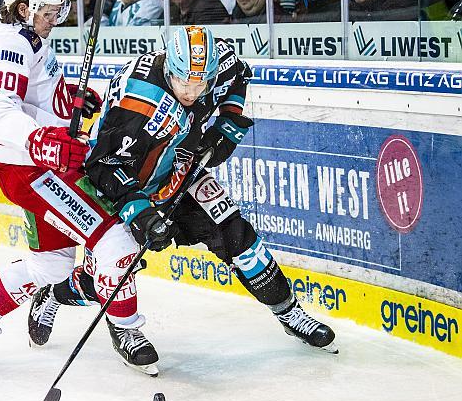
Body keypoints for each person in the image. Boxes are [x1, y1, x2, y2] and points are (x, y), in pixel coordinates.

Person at [27, 25, 339, 368]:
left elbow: (239, 76)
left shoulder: (216, 64)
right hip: (126, 185)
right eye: (184, 83)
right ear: (169, 68)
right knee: (110, 272)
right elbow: (102, 166)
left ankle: (289, 312)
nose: (192, 92)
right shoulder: (137, 101)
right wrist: (142, 214)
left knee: (236, 234)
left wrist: (228, 123)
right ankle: (59, 296)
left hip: (181, 171)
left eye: (200, 84)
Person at [0, 0, 162, 376]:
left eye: (57, 11)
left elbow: (35, 90)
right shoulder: (7, 44)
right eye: (48, 11)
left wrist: (69, 98)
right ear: (20, 6)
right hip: (32, 171)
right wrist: (41, 142)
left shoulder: (27, 34)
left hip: (34, 166)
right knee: (115, 239)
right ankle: (127, 330)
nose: (54, 19)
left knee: (50, 267)